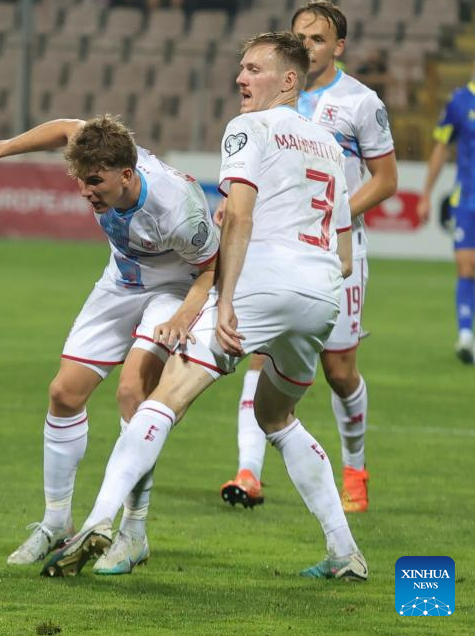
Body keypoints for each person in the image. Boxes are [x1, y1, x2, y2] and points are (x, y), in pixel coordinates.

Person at [43, 32, 368, 581]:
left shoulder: (248, 128)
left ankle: (99, 523)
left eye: (253, 70)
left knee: (160, 398)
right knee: (276, 415)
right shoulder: (330, 147)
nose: (241, 79)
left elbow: (237, 216)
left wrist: (224, 305)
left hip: (262, 283)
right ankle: (345, 552)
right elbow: (341, 253)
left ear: (289, 80)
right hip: (320, 293)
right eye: (240, 69)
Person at [0, 115, 219, 571]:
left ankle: (133, 531)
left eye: (95, 182)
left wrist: (184, 318)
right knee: (63, 393)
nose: (86, 191)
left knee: (133, 392)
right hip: (122, 281)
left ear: (126, 175)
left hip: (174, 290)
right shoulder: (100, 151)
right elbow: (67, 126)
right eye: (80, 180)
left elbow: (213, 267)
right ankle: (56, 522)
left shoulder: (178, 211)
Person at [219, 0, 397, 515]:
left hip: (339, 251)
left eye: (318, 38)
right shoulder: (273, 99)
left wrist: (331, 216)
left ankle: (355, 469)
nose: (308, 45)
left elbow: (386, 180)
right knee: (258, 349)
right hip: (276, 248)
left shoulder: (360, 103)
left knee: (340, 373)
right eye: (301, 36)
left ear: (338, 46)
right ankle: (248, 470)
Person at [418, 60, 475, 364]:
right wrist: (426, 193)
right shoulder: (460, 101)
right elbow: (441, 147)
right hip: (466, 200)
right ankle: (466, 337)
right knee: (467, 267)